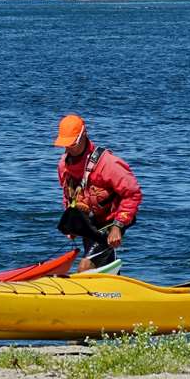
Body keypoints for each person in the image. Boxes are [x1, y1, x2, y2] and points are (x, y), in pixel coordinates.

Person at [53, 114, 142, 272]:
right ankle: (115, 290)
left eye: (72, 144)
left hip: (111, 222)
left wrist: (118, 226)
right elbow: (68, 197)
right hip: (89, 224)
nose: (68, 149)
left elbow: (133, 194)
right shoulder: (63, 166)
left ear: (83, 136)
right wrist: (72, 226)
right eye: (65, 144)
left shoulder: (108, 163)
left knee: (85, 266)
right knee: (103, 265)